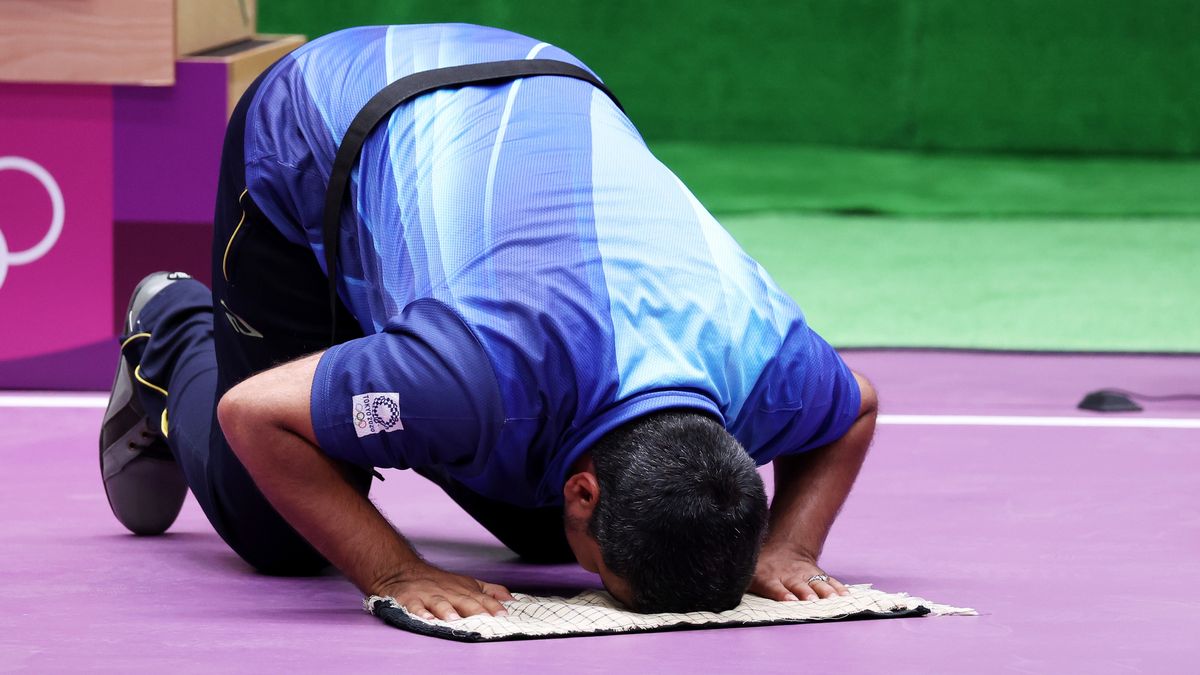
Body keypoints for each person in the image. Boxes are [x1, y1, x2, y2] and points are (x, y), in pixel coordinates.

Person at [99, 24, 877, 620]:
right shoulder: (474, 375)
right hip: (321, 118)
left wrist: (790, 545)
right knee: (277, 532)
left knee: (546, 537)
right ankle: (170, 324)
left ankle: (388, 393)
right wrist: (395, 571)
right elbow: (254, 415)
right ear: (584, 489)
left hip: (541, 80)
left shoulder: (770, 373)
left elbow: (855, 406)